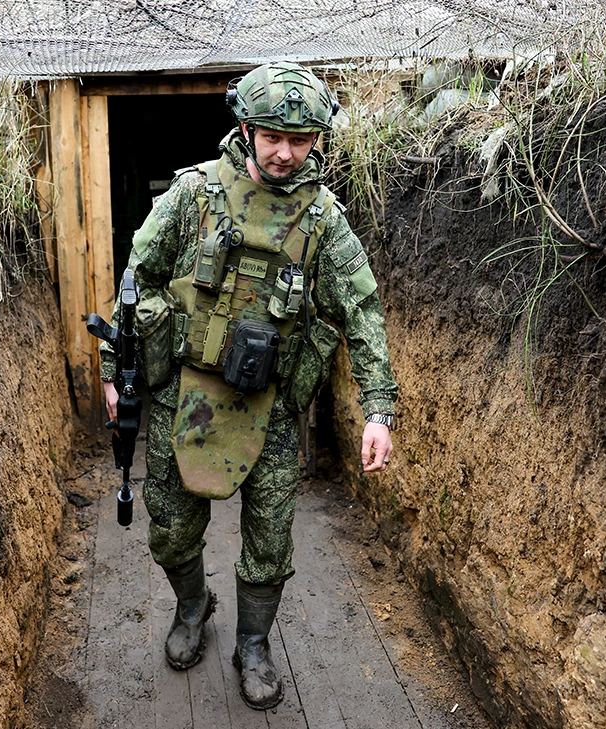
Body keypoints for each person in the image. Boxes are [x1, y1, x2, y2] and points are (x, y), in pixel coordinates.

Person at [100, 60, 397, 711]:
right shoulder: (193, 195)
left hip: (274, 409)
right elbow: (137, 280)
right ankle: (192, 607)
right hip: (186, 396)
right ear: (246, 129)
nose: (286, 152)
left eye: (301, 140)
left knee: (270, 541)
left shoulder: (323, 220)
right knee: (170, 531)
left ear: (317, 139)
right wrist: (114, 372)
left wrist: (378, 409)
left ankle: (254, 644)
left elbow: (362, 310)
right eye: (272, 137)